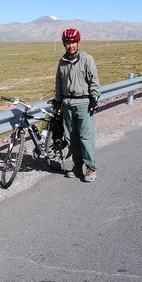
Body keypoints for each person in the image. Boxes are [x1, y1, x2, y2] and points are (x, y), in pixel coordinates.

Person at [54, 28, 100, 181]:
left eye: (73, 42)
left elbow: (94, 80)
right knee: (71, 138)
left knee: (85, 137)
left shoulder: (87, 59)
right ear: (64, 44)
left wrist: (94, 98)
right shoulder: (62, 62)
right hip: (67, 104)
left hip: (83, 103)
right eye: (67, 42)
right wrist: (58, 101)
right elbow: (59, 83)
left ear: (78, 43)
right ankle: (77, 166)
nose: (70, 46)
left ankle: (91, 168)